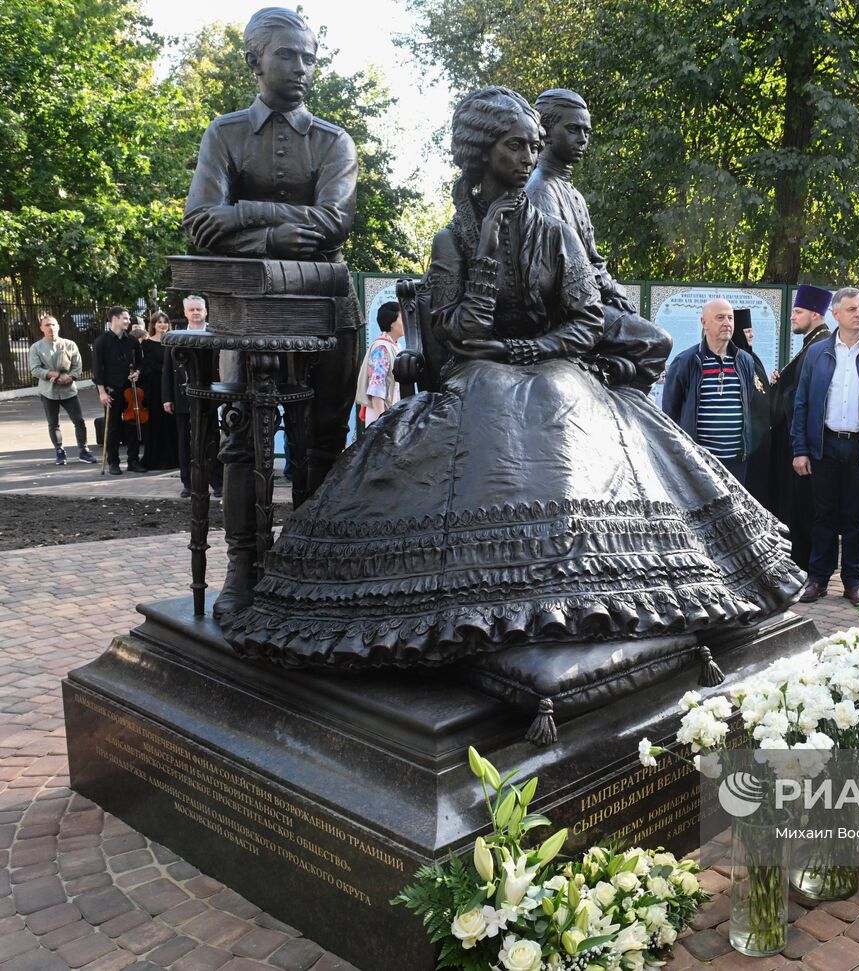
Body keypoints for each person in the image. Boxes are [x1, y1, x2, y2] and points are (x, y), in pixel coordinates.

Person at [218, 86, 801, 663]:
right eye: (514, 147)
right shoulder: (451, 241)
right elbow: (461, 335)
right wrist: (491, 244)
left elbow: (584, 319)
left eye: (532, 147)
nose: (527, 160)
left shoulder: (555, 231)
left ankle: (578, 578)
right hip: (479, 375)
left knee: (559, 394)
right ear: (482, 154)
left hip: (548, 366)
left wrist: (531, 348)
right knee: (491, 400)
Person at [183, 7, 361, 617]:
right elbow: (199, 221)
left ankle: (308, 561)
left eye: (310, 56)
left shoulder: (334, 141)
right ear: (256, 60)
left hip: (326, 306)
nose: (303, 68)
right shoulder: (225, 134)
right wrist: (271, 235)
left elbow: (335, 222)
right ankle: (244, 567)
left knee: (322, 441)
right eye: (288, 55)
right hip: (251, 311)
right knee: (240, 440)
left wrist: (243, 215)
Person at [525, 88, 670, 387]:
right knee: (656, 342)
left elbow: (594, 260)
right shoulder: (540, 190)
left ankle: (602, 380)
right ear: (545, 131)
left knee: (642, 332)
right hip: (567, 311)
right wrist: (606, 292)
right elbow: (559, 267)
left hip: (589, 298)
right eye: (573, 129)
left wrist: (615, 291)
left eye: (586, 131)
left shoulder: (572, 193)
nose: (583, 139)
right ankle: (606, 386)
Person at [790, 287, 859, 604]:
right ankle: (818, 579)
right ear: (836, 314)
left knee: (856, 519)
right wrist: (800, 449)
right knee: (822, 517)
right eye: (852, 309)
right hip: (824, 446)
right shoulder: (818, 353)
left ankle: (853, 581)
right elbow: (802, 405)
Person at [663, 298, 766, 484]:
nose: (727, 323)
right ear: (704, 322)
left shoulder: (744, 361)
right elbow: (670, 412)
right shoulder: (686, 361)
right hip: (699, 461)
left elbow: (747, 401)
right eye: (720, 318)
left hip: (736, 461)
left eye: (730, 318)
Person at [769, 284, 832, 565]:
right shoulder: (812, 343)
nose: (792, 317)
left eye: (798, 312)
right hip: (798, 439)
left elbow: (810, 395)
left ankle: (809, 564)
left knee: (809, 507)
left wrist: (781, 389)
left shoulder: (820, 345)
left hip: (807, 443)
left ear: (816, 315)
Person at [163, 296, 221, 499]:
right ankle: (188, 482)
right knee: (185, 441)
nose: (196, 312)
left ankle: (217, 481)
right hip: (183, 398)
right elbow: (167, 371)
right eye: (191, 310)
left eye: (199, 309)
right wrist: (166, 398)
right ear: (185, 312)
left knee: (213, 439)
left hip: (212, 397)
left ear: (205, 311)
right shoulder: (176, 337)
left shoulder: (217, 335)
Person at [29, 314, 96, 465]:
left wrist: (70, 377)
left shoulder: (69, 344)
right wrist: (52, 374)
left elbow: (77, 366)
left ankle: (84, 450)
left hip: (69, 390)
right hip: (48, 391)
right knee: (53, 423)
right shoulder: (36, 347)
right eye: (47, 325)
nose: (50, 328)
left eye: (53, 324)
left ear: (58, 326)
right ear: (41, 328)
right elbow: (35, 369)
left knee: (79, 421)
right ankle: (59, 451)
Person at [91, 306, 144, 475]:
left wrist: (137, 372)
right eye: (126, 318)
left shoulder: (132, 341)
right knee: (113, 427)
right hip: (111, 390)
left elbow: (140, 362)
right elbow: (97, 369)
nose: (129, 321)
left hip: (130, 389)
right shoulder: (101, 342)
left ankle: (133, 461)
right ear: (115, 319)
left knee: (132, 425)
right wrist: (101, 392)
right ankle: (113, 462)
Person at [730, 308, 772, 506]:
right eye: (746, 331)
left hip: (762, 437)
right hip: (746, 439)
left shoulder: (752, 357)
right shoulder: (735, 359)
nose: (751, 334)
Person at [138, 312, 179, 470]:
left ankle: (174, 458)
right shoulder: (147, 344)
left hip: (172, 386)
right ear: (153, 324)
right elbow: (146, 366)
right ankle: (156, 459)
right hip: (155, 388)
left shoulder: (174, 341)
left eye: (165, 322)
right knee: (156, 423)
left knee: (172, 423)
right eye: (159, 322)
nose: (162, 325)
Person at [356, 301, 402, 426]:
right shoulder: (382, 348)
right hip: (381, 414)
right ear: (392, 322)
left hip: (390, 412)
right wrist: (382, 421)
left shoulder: (394, 346)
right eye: (402, 318)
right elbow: (376, 389)